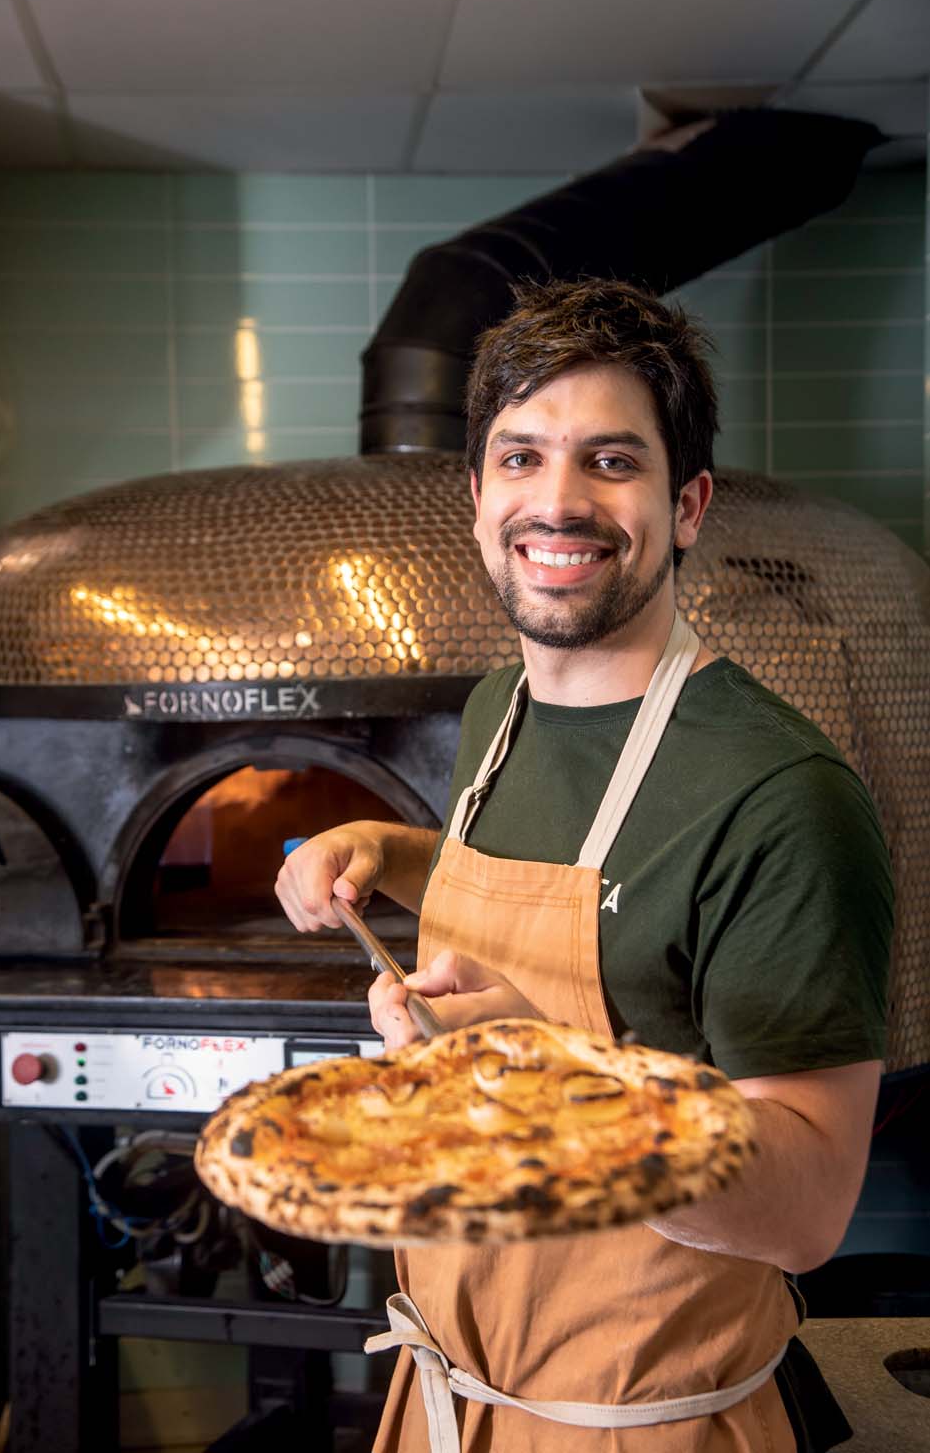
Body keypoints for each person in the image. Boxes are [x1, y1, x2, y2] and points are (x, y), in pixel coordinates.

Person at [275, 278, 892, 1452]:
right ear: (473, 497)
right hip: (449, 1397)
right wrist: (390, 854)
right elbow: (568, 888)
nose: (555, 501)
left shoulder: (783, 801)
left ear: (689, 503)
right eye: (520, 458)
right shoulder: (497, 710)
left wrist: (544, 1078)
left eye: (610, 461)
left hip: (639, 1421)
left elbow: (806, 1211)